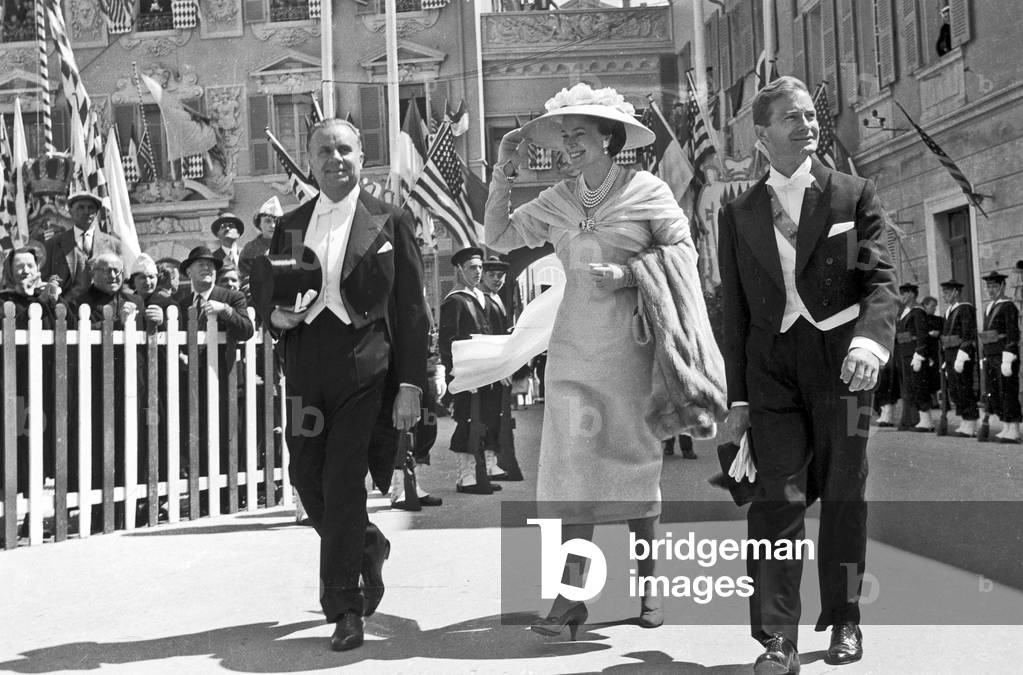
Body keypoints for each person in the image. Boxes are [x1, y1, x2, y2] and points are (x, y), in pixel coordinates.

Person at [486, 83, 721, 636]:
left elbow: (684, 252)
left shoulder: (649, 191)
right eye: (564, 136)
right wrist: (503, 172)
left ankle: (649, 587)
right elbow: (496, 236)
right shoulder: (557, 199)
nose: (568, 145)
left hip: (632, 347)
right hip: (572, 349)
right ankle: (570, 601)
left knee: (633, 468)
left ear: (609, 139)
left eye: (580, 135)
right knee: (574, 472)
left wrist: (629, 273)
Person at [717, 76, 897, 673]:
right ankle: (777, 638)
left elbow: (881, 281)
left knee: (844, 496)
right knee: (776, 499)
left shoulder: (852, 193)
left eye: (809, 114)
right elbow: (734, 312)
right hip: (772, 371)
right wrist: (737, 400)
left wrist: (871, 341)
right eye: (791, 118)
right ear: (762, 135)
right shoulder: (738, 212)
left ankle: (845, 619)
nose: (807, 124)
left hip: (844, 366)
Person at [252, 118, 429, 651]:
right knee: (307, 475)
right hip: (308, 368)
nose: (336, 158)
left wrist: (412, 385)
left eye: (346, 149)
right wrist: (274, 317)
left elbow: (412, 308)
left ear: (361, 158)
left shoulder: (390, 221)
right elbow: (268, 289)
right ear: (311, 160)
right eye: (325, 150)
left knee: (344, 480)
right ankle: (367, 545)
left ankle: (344, 606)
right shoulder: (290, 225)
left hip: (366, 367)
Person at [176, 246, 254, 512]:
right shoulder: (181, 301)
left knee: (227, 437)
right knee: (197, 437)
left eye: (210, 264)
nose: (207, 268)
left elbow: (247, 330)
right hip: (192, 383)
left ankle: (227, 499)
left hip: (225, 380)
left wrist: (226, 311)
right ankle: (203, 500)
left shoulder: (231, 297)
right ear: (188, 270)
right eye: (200, 264)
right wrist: (180, 356)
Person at [439, 246, 501, 494]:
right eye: (472, 268)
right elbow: (448, 342)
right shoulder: (455, 300)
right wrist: (460, 374)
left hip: (482, 374)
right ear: (460, 270)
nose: (478, 272)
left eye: (479, 267)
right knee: (466, 422)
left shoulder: (480, 298)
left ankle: (478, 473)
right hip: (466, 376)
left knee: (482, 421)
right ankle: (465, 477)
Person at [480, 255, 521, 481]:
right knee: (488, 416)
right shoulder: (484, 300)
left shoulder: (496, 298)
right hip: (491, 367)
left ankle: (492, 461)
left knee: (496, 416)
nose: (497, 279)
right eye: (492, 275)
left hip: (500, 366)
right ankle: (487, 462)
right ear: (483, 276)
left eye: (500, 275)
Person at [42, 191, 126, 298]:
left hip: (103, 308)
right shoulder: (54, 244)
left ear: (96, 212)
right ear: (70, 211)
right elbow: (44, 280)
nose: (86, 212)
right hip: (66, 307)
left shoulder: (113, 244)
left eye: (91, 208)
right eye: (80, 207)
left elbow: (123, 281)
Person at [980, 271, 1020, 443]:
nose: (991, 290)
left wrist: (1008, 357)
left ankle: (1014, 429)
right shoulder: (989, 307)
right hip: (991, 354)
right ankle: (1005, 426)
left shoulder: (1008, 306)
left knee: (1008, 391)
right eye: (988, 287)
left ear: (1003, 286)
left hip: (1004, 355)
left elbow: (1013, 333)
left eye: (994, 286)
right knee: (996, 392)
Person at [939, 279, 979, 436]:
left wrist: (962, 356)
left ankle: (971, 422)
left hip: (961, 355)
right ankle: (964, 420)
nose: (944, 296)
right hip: (950, 354)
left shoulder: (965, 309)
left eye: (947, 292)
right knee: (955, 390)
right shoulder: (949, 311)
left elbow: (968, 334)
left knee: (965, 388)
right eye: (944, 292)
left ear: (956, 292)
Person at [895, 283, 933, 431]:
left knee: (919, 386)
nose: (901, 297)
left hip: (914, 354)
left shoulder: (918, 311)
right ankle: (914, 419)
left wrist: (920, 353)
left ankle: (926, 420)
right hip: (905, 354)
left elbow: (922, 334)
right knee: (910, 387)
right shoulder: (906, 312)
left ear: (911, 294)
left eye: (904, 294)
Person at [239, 196, 282, 282]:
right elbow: (245, 278)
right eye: (268, 221)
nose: (273, 226)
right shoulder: (250, 249)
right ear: (259, 224)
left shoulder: (291, 247)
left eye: (276, 221)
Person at [921, 295, 943, 407]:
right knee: (927, 377)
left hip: (936, 351)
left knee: (937, 376)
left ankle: (940, 400)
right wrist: (928, 334)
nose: (934, 308)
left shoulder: (938, 320)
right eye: (932, 306)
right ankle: (931, 400)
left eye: (935, 306)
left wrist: (938, 333)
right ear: (925, 306)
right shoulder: (920, 319)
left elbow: (943, 331)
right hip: (925, 351)